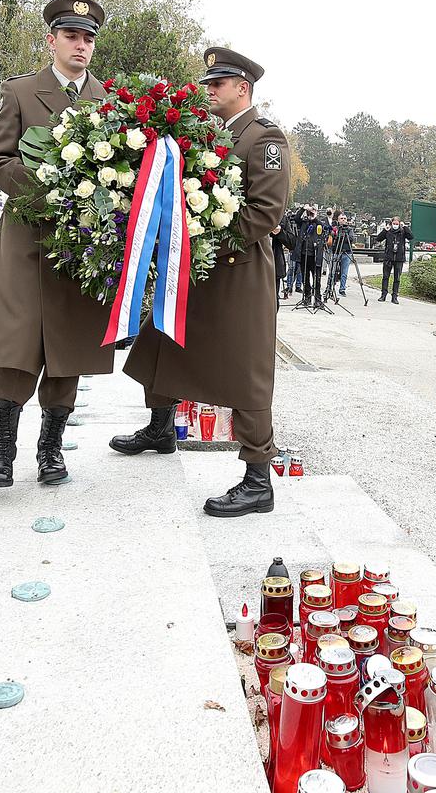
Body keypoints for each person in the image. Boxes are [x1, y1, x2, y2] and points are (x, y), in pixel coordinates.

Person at [112, 47, 292, 517]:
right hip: (197, 265)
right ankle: (161, 428)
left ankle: (258, 480)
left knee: (247, 373)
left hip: (239, 273)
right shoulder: (208, 134)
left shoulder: (265, 138)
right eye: (208, 82)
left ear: (243, 88)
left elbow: (265, 212)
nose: (208, 89)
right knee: (160, 339)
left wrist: (201, 237)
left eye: (218, 83)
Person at [0, 0, 114, 488]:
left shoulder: (107, 101)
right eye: (71, 36)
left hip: (81, 244)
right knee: (17, 345)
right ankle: (1, 453)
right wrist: (52, 189)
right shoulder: (20, 92)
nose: (81, 46)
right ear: (52, 40)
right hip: (27, 239)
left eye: (88, 38)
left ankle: (51, 451)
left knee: (67, 346)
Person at [296, 207, 324, 307]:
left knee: (317, 278)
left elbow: (323, 229)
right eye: (309, 212)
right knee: (305, 278)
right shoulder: (304, 223)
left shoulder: (319, 224)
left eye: (312, 212)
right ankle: (307, 297)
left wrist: (314, 216)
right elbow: (296, 218)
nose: (310, 214)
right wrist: (303, 209)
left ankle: (317, 299)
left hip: (315, 256)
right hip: (304, 254)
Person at [377, 216, 410, 303]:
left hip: (399, 258)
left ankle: (394, 296)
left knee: (397, 278)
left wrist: (405, 227)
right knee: (385, 277)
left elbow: (411, 236)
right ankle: (383, 295)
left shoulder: (402, 232)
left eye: (397, 224)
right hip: (388, 257)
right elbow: (378, 239)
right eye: (394, 223)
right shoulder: (388, 232)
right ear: (391, 224)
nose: (395, 225)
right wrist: (385, 230)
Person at [329, 212, 355, 296]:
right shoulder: (335, 229)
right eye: (341, 218)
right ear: (338, 220)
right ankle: (330, 287)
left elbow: (351, 238)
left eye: (344, 219)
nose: (343, 220)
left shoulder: (349, 229)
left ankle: (342, 289)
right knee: (333, 271)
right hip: (336, 252)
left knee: (344, 273)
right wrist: (338, 235)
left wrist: (343, 236)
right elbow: (333, 237)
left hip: (346, 252)